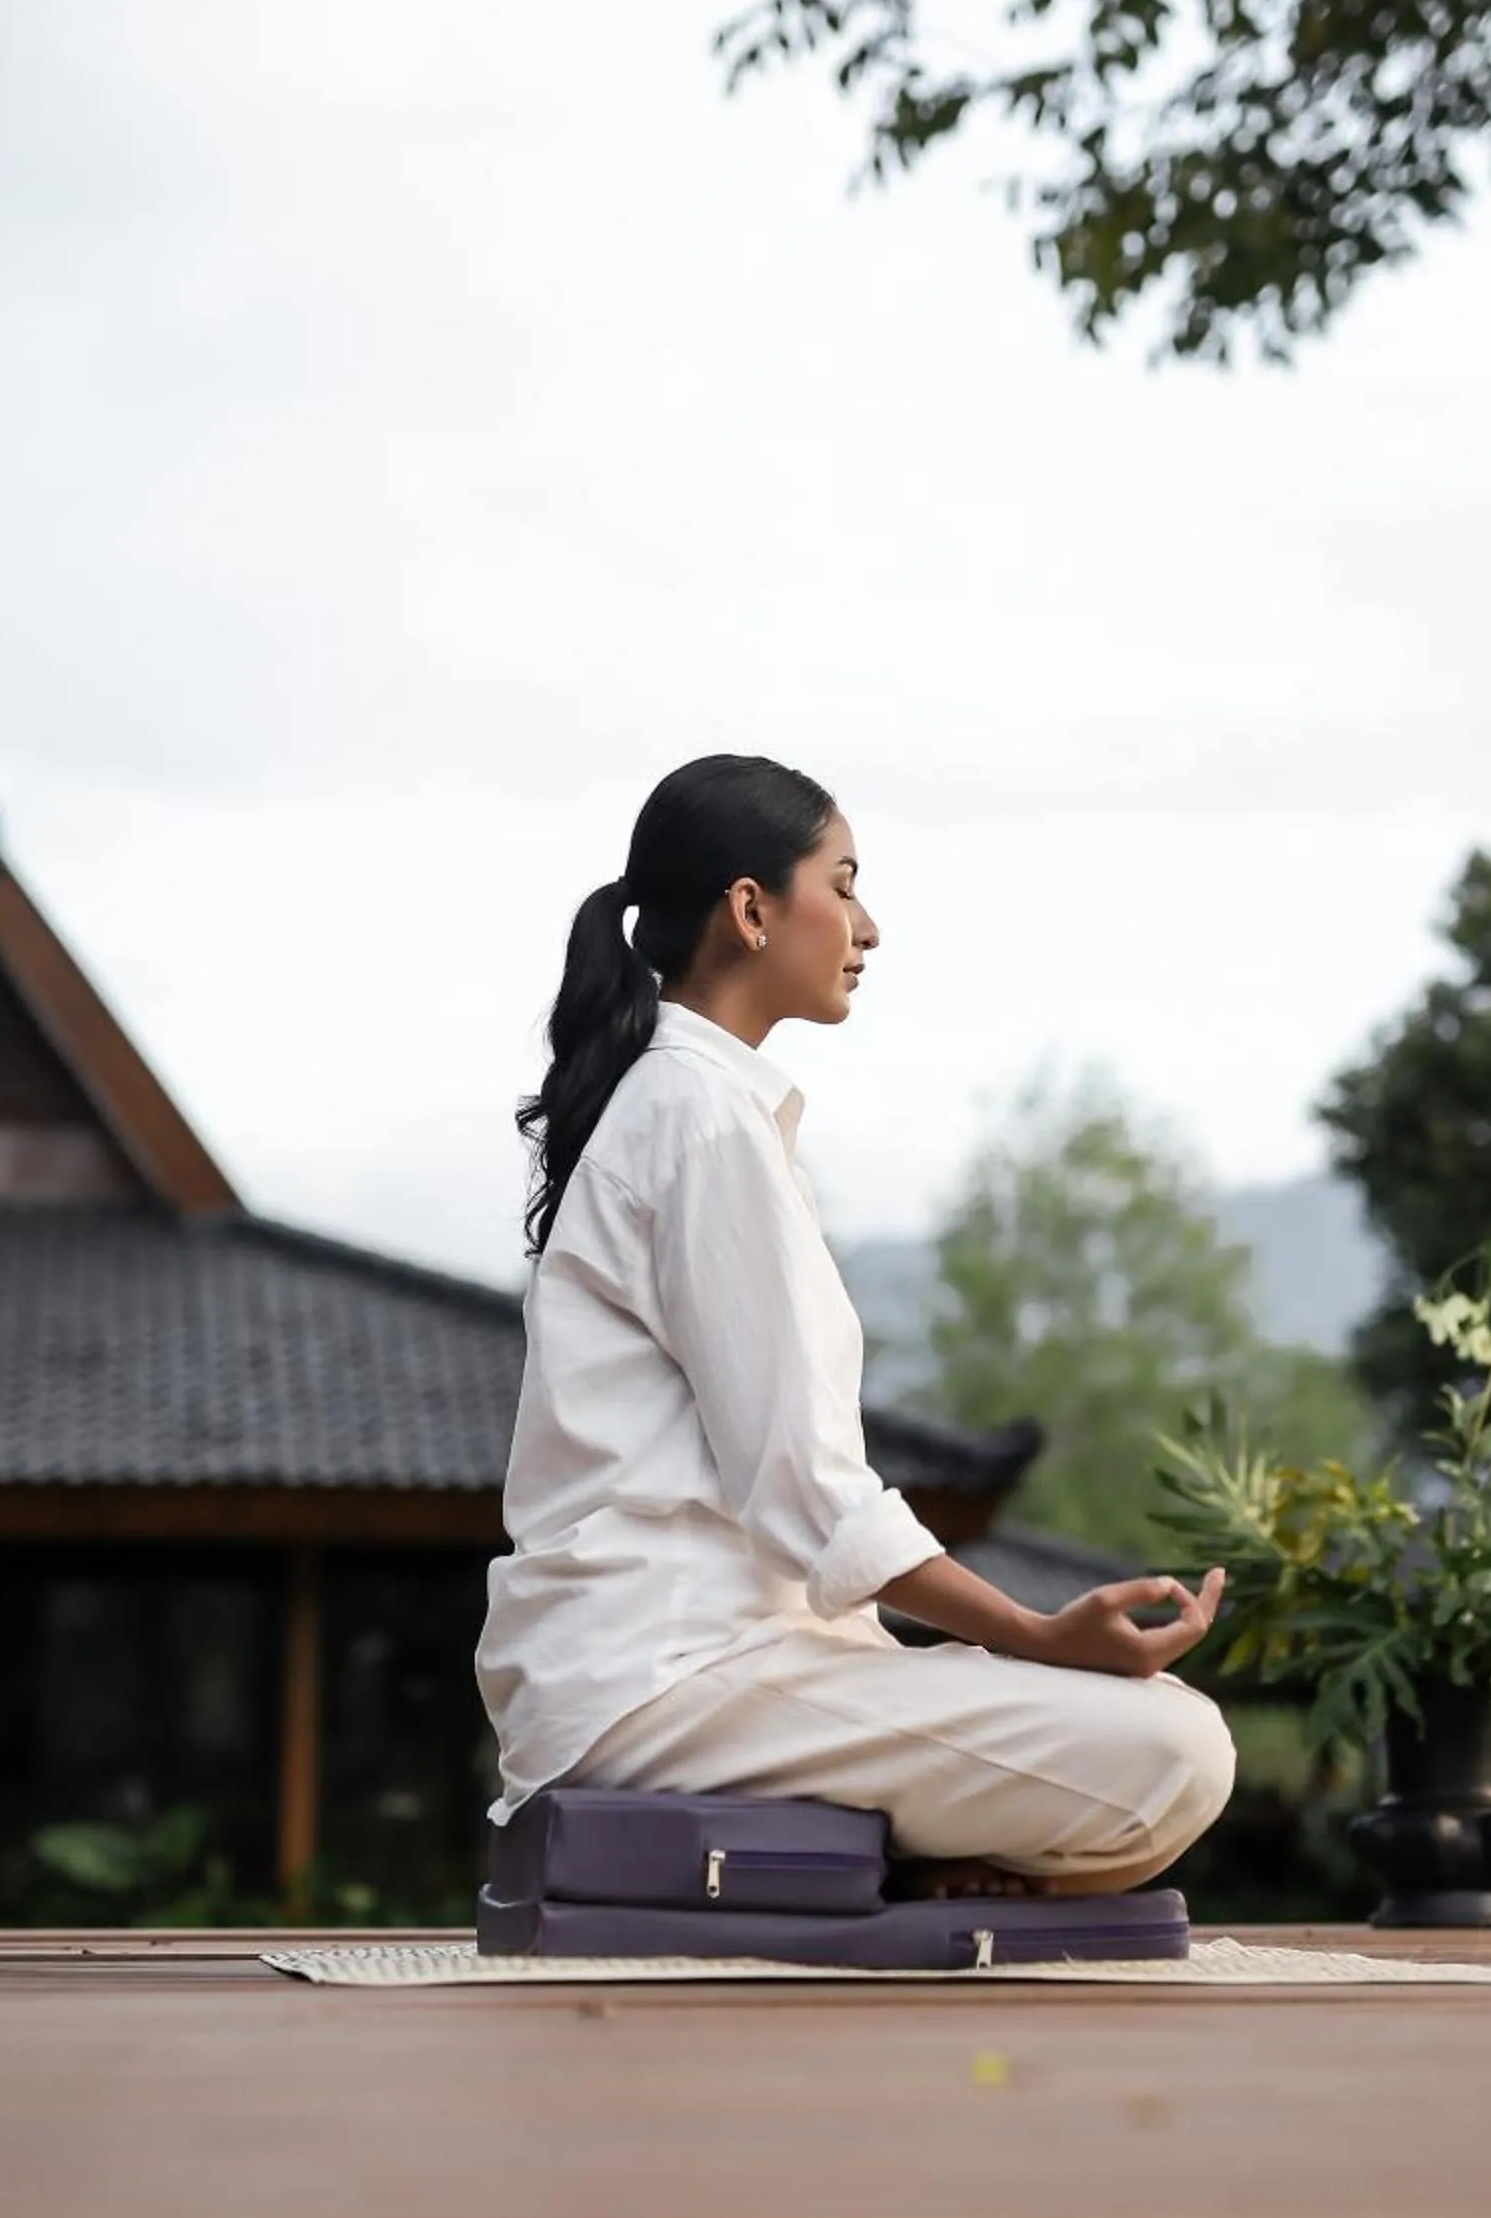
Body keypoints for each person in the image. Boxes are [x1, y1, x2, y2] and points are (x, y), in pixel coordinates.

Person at [476, 753, 1235, 1897]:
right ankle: (903, 1866)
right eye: (843, 882)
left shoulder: (698, 1107)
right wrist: (1030, 1634)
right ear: (749, 908)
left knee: (1157, 1722)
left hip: (712, 1666)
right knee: (1176, 1749)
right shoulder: (697, 1118)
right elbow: (806, 1489)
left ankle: (894, 1866)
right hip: (666, 1674)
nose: (867, 925)